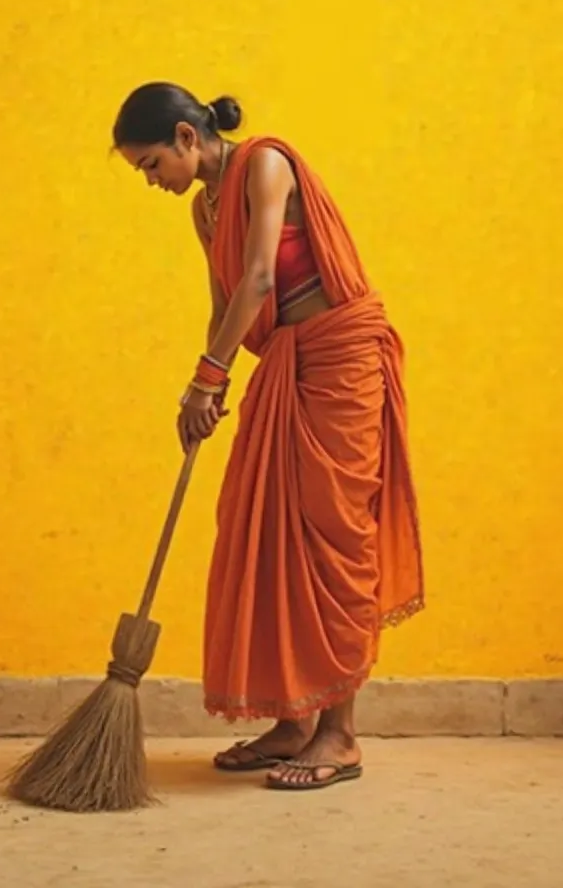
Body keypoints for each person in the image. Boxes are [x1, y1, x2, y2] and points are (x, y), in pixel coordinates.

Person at [112, 82, 424, 791]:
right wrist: (202, 390)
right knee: (271, 536)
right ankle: (293, 722)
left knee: (334, 537)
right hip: (285, 366)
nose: (151, 181)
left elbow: (258, 277)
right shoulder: (205, 207)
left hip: (342, 361)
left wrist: (209, 377)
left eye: (151, 163)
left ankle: (339, 735)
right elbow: (226, 303)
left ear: (189, 138)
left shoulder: (266, 165)